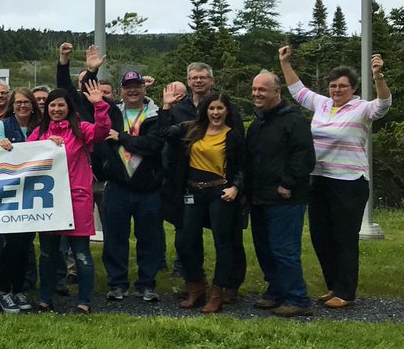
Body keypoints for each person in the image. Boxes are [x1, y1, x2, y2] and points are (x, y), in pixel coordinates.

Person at [280, 46, 391, 309]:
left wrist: (378, 77)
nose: (337, 90)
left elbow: (384, 104)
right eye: (333, 86)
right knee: (321, 236)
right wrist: (284, 62)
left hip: (349, 182)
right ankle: (334, 287)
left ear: (353, 88)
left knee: (344, 238)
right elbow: (298, 91)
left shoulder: (362, 108)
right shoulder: (322, 104)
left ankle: (347, 292)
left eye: (342, 86)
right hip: (319, 179)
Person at [7, 82, 110, 314]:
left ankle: (84, 301)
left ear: (69, 107)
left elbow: (103, 131)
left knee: (81, 252)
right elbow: (23, 156)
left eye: (60, 105)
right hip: (49, 201)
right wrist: (10, 145)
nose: (56, 109)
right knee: (48, 252)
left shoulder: (81, 130)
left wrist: (99, 105)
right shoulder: (40, 133)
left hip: (77, 200)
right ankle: (45, 298)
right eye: (52, 105)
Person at [157, 88, 245, 313]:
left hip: (220, 192)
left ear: (227, 111)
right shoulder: (192, 129)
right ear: (204, 110)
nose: (215, 112)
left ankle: (218, 292)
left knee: (222, 243)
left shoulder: (232, 134)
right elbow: (164, 133)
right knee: (185, 241)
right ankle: (196, 286)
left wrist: (236, 186)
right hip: (193, 192)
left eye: (220, 108)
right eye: (211, 108)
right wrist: (166, 107)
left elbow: (243, 165)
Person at [246, 70, 316, 317]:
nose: (257, 94)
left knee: (284, 249)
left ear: (277, 91)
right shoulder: (257, 123)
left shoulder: (293, 120)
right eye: (254, 89)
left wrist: (287, 183)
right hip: (259, 197)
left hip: (285, 198)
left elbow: (304, 156)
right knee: (264, 248)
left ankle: (298, 297)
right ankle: (276, 291)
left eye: (262, 89)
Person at [95, 70, 167, 303]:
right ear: (121, 91)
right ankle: (117, 284)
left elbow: (152, 145)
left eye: (137, 85)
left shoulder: (156, 115)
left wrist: (122, 137)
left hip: (148, 188)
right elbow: (86, 95)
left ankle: (147, 284)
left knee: (149, 238)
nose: (133, 90)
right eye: (128, 87)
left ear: (145, 88)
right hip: (118, 185)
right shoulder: (114, 113)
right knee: (115, 238)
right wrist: (91, 70)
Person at [0, 88, 43, 313]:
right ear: (12, 104)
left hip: (34, 194)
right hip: (9, 194)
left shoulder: (41, 127)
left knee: (26, 243)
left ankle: (19, 288)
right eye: (18, 102)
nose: (22, 106)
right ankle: (3, 290)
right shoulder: (1, 126)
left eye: (27, 102)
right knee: (11, 244)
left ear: (33, 105)